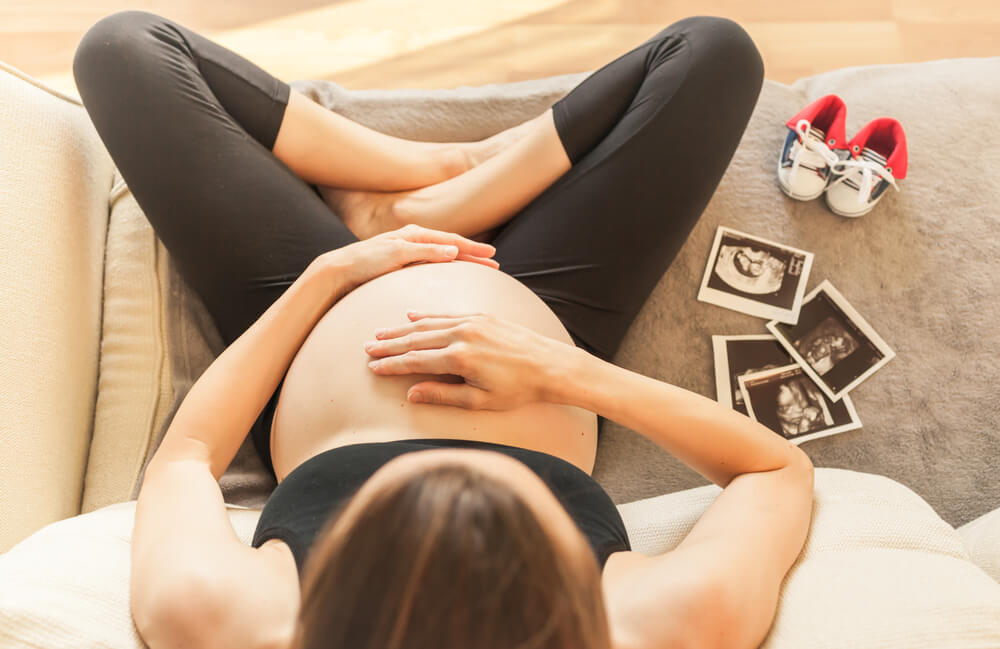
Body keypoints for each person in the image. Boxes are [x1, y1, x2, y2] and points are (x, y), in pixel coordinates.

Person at [72, 9, 815, 649]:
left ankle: (427, 182)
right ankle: (462, 180)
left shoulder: (230, 618)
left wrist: (330, 277)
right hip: (552, 314)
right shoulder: (651, 625)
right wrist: (557, 370)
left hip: (322, 314)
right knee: (713, 53)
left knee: (122, 51)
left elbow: (187, 458)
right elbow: (776, 471)